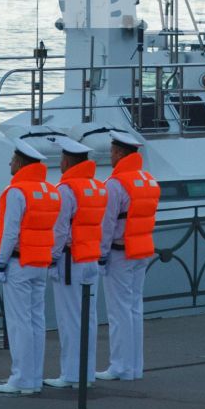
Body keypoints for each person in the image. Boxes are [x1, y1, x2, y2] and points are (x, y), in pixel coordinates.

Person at [0, 141, 59, 395]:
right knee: (36, 321)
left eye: (12, 159)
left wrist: (0, 263)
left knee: (19, 323)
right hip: (40, 263)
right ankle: (34, 377)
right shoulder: (51, 191)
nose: (9, 164)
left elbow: (10, 232)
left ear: (20, 163)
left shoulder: (16, 192)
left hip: (18, 263)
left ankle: (20, 378)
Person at [97, 130, 158, 381]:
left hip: (119, 253)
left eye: (112, 152)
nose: (110, 156)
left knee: (118, 311)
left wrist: (100, 255)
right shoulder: (147, 179)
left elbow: (107, 224)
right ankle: (135, 366)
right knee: (134, 308)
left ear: (121, 153)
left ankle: (120, 366)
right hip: (141, 249)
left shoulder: (115, 184)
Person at [46, 136, 106, 389]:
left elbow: (59, 231)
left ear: (68, 161)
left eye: (61, 159)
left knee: (69, 320)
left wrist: (51, 259)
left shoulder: (66, 190)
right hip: (91, 258)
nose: (59, 164)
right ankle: (86, 373)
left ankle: (71, 375)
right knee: (88, 319)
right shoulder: (98, 187)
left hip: (70, 262)